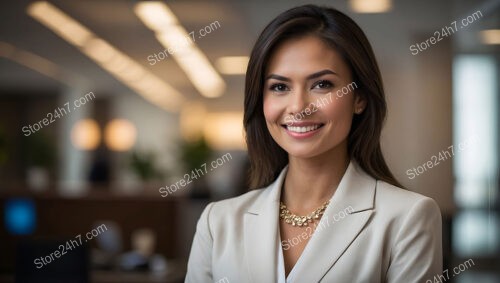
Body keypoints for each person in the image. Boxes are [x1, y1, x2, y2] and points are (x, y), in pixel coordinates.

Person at [186, 4, 442, 283]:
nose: (298, 107)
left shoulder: (407, 218)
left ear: (359, 98)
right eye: (280, 87)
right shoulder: (218, 222)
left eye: (321, 85)